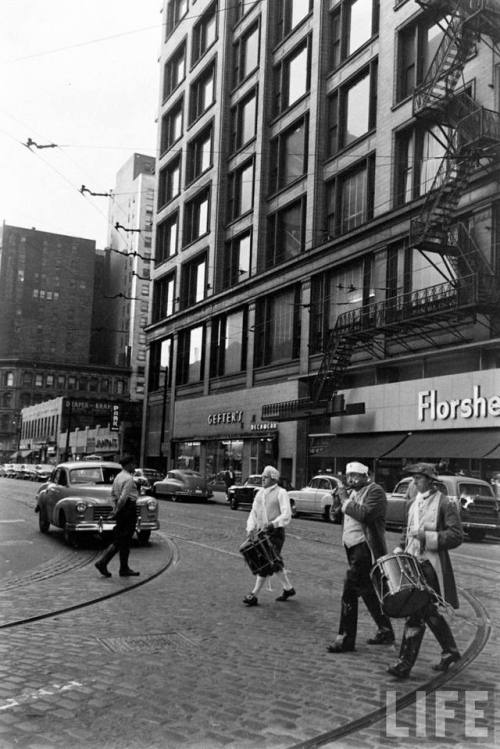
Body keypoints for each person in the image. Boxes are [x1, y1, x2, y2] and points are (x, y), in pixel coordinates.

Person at [387, 462, 463, 679]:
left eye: (418, 478)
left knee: (416, 610)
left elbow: (457, 535)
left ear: (430, 480)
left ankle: (404, 664)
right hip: (413, 564)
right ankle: (450, 650)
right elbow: (408, 532)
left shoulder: (445, 503)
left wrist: (428, 538)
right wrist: (400, 548)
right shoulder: (413, 502)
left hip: (432, 566)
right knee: (426, 610)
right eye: (413, 479)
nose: (414, 482)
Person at [327, 461, 394, 653]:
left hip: (366, 548)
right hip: (351, 547)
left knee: (349, 588)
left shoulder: (376, 492)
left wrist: (345, 499)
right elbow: (334, 517)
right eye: (349, 476)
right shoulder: (351, 493)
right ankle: (385, 629)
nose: (352, 479)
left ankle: (345, 639)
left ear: (367, 476)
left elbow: (365, 514)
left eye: (357, 476)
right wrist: (337, 502)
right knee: (367, 590)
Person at [242, 465, 295, 606]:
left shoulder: (281, 492)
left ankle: (253, 595)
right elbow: (253, 513)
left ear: (273, 479)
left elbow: (287, 514)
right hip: (261, 533)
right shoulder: (260, 493)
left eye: (265, 477)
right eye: (262, 476)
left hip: (275, 533)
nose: (262, 479)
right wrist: (250, 528)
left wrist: (274, 524)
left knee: (265, 562)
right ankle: (288, 588)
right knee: (273, 561)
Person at [95, 455, 140, 578]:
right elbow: (123, 498)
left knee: (124, 540)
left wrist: (116, 509)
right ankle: (103, 562)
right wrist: (117, 510)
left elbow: (113, 495)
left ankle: (124, 568)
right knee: (122, 539)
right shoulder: (129, 479)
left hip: (121, 511)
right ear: (128, 465)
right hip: (128, 509)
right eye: (133, 464)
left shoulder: (118, 477)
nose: (134, 467)